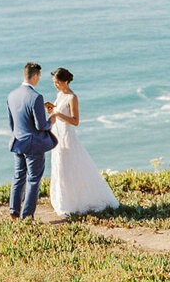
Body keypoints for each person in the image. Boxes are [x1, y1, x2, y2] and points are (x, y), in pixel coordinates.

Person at [46, 67, 119, 217]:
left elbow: (75, 121)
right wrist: (52, 111)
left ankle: (77, 201)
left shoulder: (72, 98)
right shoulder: (59, 95)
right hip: (57, 134)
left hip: (67, 136)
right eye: (54, 83)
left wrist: (58, 114)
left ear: (66, 81)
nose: (56, 85)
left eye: (58, 82)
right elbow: (57, 113)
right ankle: (65, 199)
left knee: (72, 166)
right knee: (61, 167)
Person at [6, 62, 58, 220]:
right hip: (33, 145)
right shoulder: (36, 97)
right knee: (34, 180)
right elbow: (41, 125)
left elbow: (11, 123)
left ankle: (13, 212)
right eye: (39, 77)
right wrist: (52, 120)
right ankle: (27, 215)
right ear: (35, 76)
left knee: (18, 177)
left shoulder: (11, 95)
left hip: (17, 142)